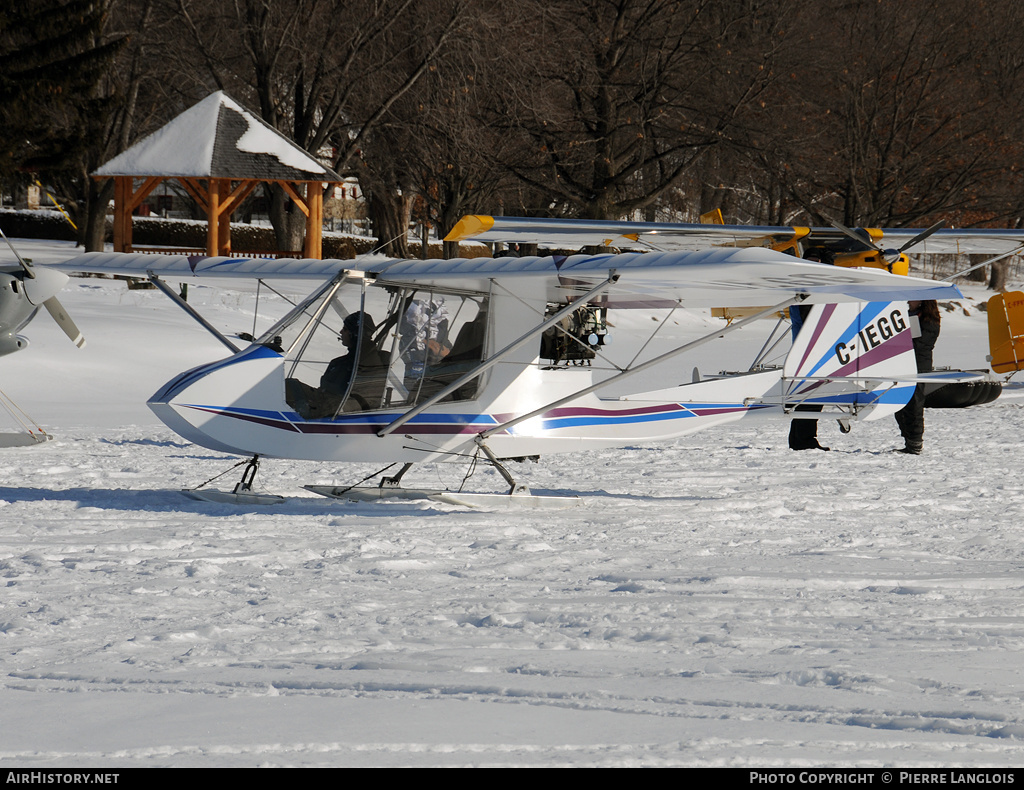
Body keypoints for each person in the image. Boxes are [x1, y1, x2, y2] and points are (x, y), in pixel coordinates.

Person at [286, 311, 383, 417]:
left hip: (338, 411)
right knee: (289, 385)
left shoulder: (366, 360)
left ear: (354, 334)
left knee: (288, 388)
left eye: (345, 329)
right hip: (331, 404)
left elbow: (359, 398)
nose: (341, 332)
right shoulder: (347, 360)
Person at [788, 248, 835, 451]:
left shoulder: (805, 289)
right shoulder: (806, 292)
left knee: (805, 396)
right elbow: (814, 321)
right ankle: (805, 440)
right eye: (811, 261)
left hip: (806, 350)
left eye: (817, 261)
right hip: (811, 351)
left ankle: (798, 440)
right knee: (811, 397)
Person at [894, 300, 941, 454]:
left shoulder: (929, 321)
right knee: (900, 406)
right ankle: (909, 438)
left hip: (918, 366)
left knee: (914, 404)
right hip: (905, 365)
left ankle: (914, 441)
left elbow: (921, 344)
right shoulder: (911, 316)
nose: (908, 301)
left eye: (912, 299)